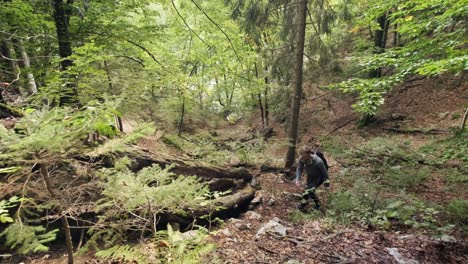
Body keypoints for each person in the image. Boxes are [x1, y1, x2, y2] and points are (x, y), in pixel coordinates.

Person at [295, 147, 330, 211]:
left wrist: (327, 184)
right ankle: (318, 205)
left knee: (307, 190)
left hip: (319, 178)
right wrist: (297, 179)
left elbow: (324, 173)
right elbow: (299, 168)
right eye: (301, 155)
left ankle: (302, 205)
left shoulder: (318, 161)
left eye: (304, 156)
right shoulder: (302, 159)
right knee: (310, 191)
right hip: (310, 177)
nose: (303, 157)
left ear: (309, 154)